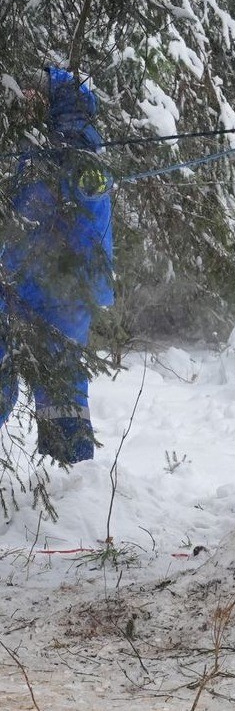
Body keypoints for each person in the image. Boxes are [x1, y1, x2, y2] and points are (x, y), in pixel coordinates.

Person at [0, 67, 114, 464]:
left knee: (61, 378)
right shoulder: (36, 142)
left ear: (57, 103)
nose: (29, 96)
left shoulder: (81, 148)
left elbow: (92, 212)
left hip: (62, 288)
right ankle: (71, 465)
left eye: (39, 93)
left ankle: (73, 472)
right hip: (24, 279)